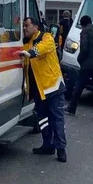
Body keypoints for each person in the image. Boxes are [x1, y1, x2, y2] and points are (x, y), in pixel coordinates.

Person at [21, 16, 68, 162]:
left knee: (57, 118)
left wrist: (31, 53)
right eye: (23, 26)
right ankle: (47, 145)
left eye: (27, 25)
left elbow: (43, 47)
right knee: (43, 119)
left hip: (52, 86)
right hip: (38, 89)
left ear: (35, 27)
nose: (24, 28)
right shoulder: (26, 43)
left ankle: (61, 149)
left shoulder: (46, 37)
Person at [65, 15, 93, 120]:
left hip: (87, 65)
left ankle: (72, 108)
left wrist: (80, 59)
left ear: (83, 24)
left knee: (79, 87)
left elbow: (84, 48)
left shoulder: (84, 32)